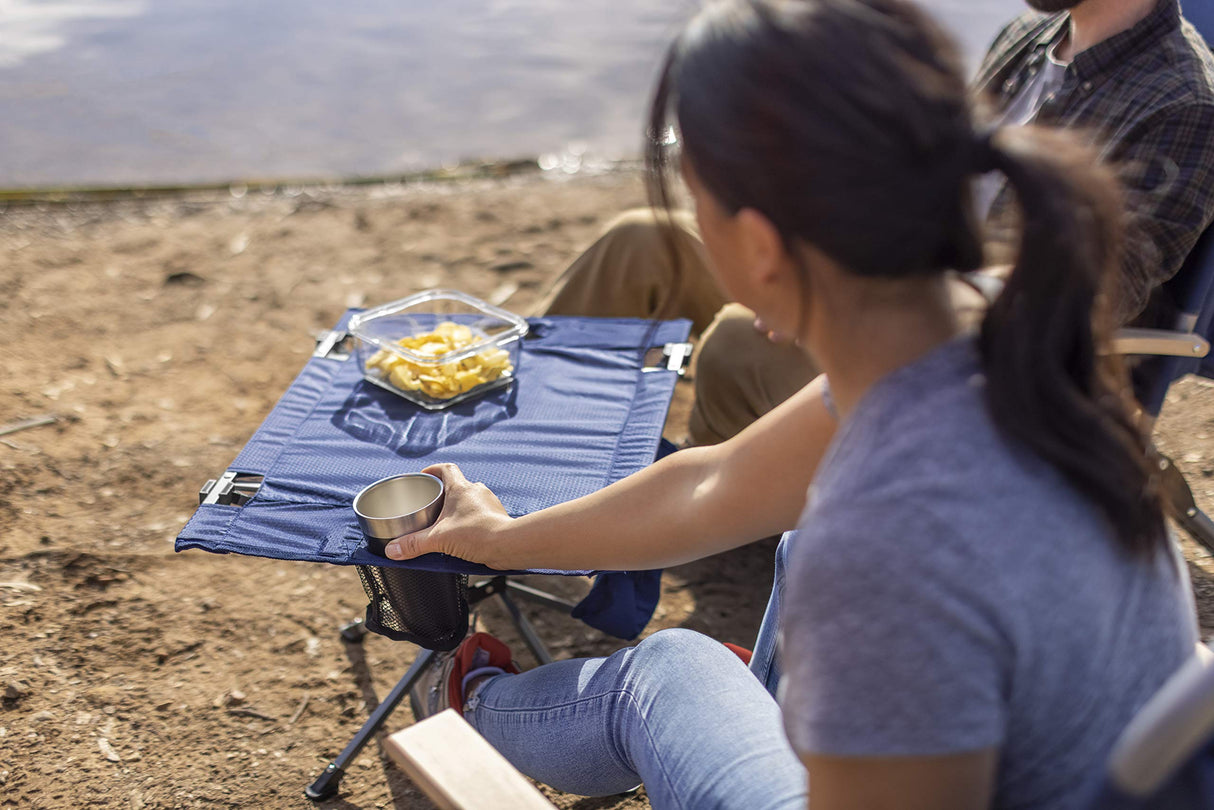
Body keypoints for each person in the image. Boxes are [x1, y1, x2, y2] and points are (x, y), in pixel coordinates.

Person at [385, 0, 1200, 807]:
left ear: (763, 244)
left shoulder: (880, 539)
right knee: (698, 651)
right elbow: (714, 484)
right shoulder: (991, 331)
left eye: (694, 191)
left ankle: (472, 710)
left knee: (669, 671)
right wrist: (501, 538)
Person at [536, 0, 1214, 447]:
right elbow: (929, 181)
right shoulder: (1031, 35)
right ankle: (522, 444)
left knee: (738, 344)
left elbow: (1091, 290)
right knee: (641, 242)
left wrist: (841, 303)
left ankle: (716, 514)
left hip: (968, 375)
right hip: (887, 283)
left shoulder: (1186, 103)